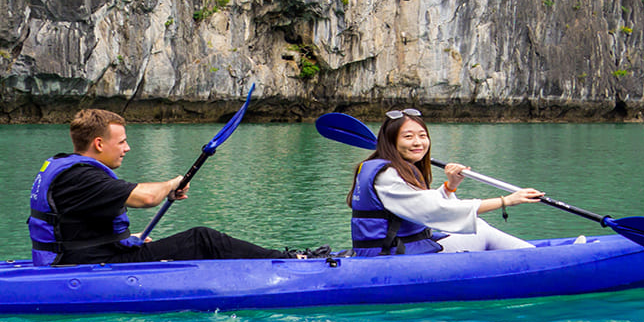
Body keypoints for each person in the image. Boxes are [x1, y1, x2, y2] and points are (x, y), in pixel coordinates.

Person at [28, 108, 324, 266]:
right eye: (122, 142)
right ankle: (291, 260)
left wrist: (124, 238)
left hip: (77, 255)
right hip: (85, 265)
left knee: (161, 241)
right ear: (99, 143)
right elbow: (145, 198)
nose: (128, 148)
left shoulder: (65, 168)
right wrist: (172, 183)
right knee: (202, 239)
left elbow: (78, 224)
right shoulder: (82, 176)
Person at [347, 108, 551, 256]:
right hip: (392, 256)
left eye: (422, 135)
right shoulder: (387, 175)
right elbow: (434, 210)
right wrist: (506, 201)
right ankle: (542, 260)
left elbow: (420, 204)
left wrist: (450, 185)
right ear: (391, 142)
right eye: (408, 137)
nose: (418, 142)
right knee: (482, 231)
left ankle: (537, 256)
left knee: (479, 227)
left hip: (400, 248)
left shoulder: (387, 168)